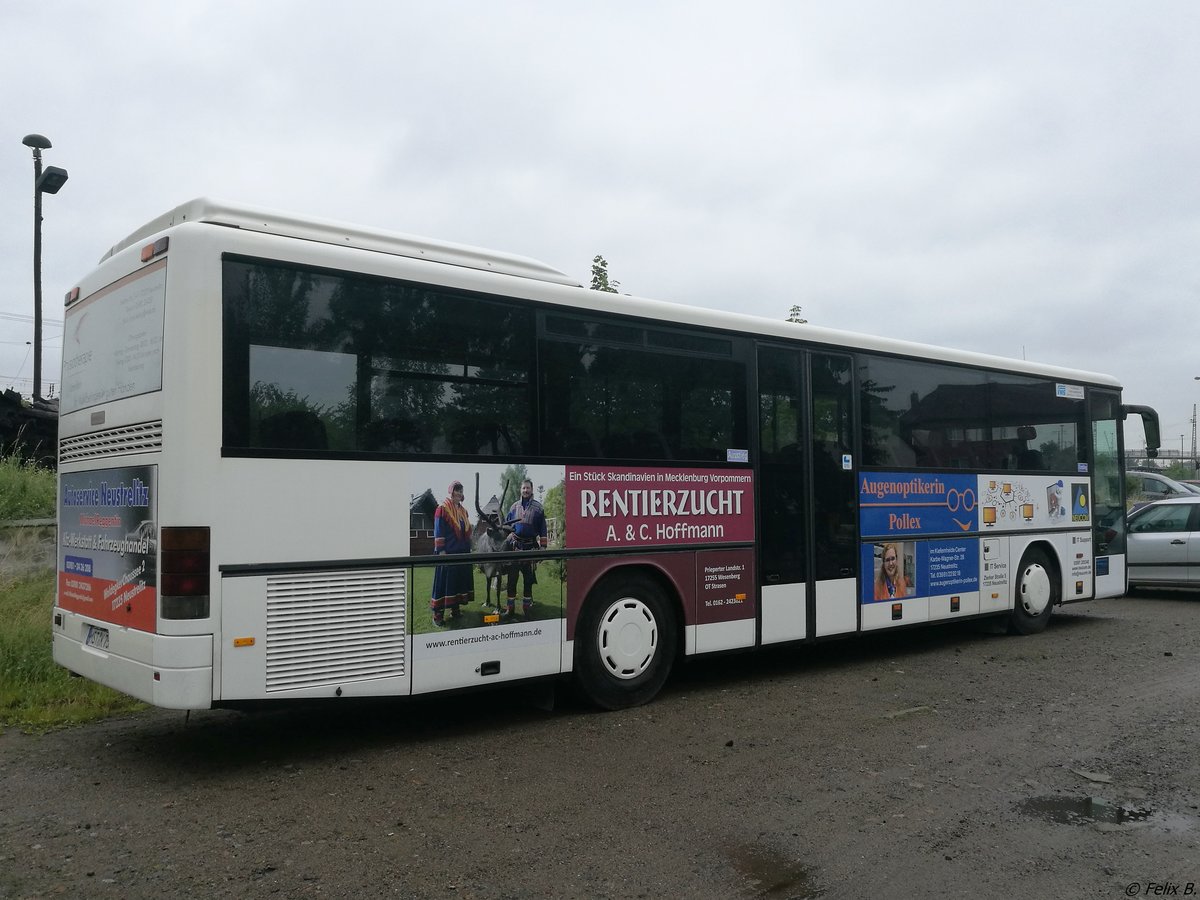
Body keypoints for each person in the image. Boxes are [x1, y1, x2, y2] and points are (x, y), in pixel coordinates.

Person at [430, 480, 473, 627]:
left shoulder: (464, 511)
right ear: (451, 491)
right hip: (447, 553)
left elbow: (466, 532)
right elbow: (438, 530)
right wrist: (441, 550)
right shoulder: (442, 508)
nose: (459, 493)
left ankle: (455, 610)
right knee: (443, 583)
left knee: (458, 582)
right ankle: (437, 615)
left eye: (461, 491)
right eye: (457, 490)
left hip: (461, 552)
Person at [504, 478, 547, 616]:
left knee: (528, 580)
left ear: (532, 489)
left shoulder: (538, 508)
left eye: (528, 488)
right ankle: (510, 609)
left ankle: (526, 609)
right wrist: (506, 537)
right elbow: (507, 525)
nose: (525, 490)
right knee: (512, 580)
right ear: (520, 490)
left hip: (530, 548)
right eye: (523, 488)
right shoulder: (513, 507)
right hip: (515, 548)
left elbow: (543, 528)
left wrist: (543, 547)